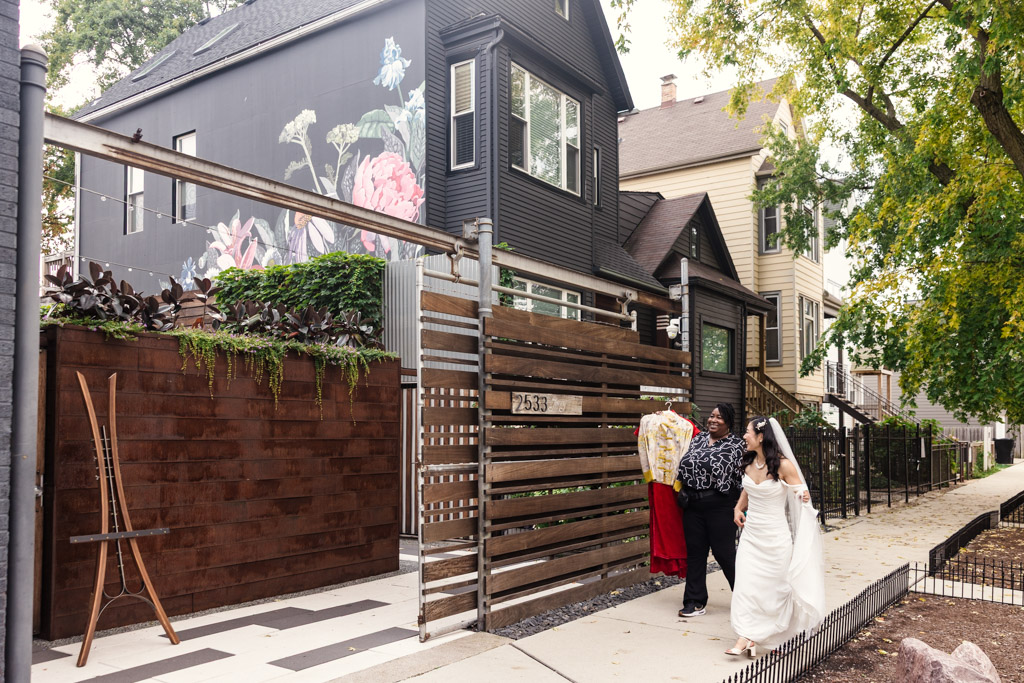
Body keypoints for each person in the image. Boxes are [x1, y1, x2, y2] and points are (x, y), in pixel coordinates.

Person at [726, 416, 826, 657]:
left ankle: (776, 635)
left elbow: (802, 493)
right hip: (751, 536)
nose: (744, 436)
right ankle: (746, 636)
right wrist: (738, 508)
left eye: (748, 432)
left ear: (761, 437)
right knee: (746, 586)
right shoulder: (749, 462)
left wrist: (803, 496)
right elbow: (748, 489)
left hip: (775, 537)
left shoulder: (783, 465)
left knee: (775, 589)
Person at [675, 403, 746, 618]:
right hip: (693, 505)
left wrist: (741, 508)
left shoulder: (737, 445)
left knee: (724, 554)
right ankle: (694, 601)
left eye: (719, 418)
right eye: (712, 416)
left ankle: (746, 598)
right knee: (695, 554)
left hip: (721, 506)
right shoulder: (698, 440)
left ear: (729, 422)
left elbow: (744, 478)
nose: (713, 420)